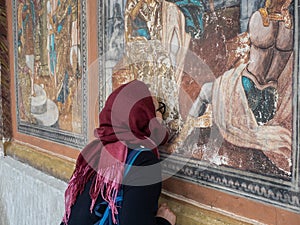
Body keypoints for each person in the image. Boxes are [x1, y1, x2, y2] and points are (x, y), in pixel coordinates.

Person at [60, 79, 176, 225]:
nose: (160, 117)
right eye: (157, 110)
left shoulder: (94, 153)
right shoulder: (143, 163)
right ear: (143, 116)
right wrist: (164, 221)